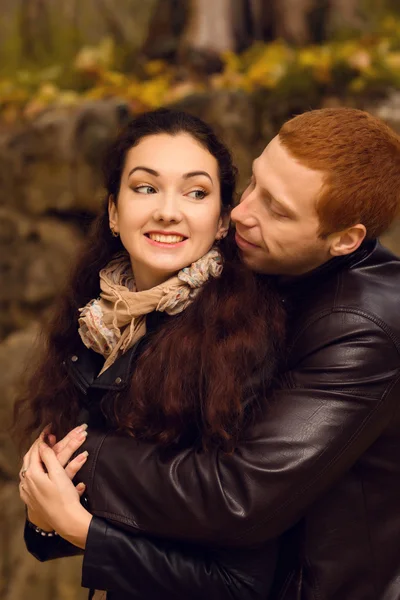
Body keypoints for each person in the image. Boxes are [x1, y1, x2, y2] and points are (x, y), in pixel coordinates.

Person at [19, 107, 400, 600]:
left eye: (277, 209)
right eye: (254, 183)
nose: (243, 212)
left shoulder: (361, 329)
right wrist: (54, 510)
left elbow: (236, 497)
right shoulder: (203, 293)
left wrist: (72, 461)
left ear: (344, 241)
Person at [15, 108, 286, 599]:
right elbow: (50, 535)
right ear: (114, 212)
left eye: (196, 192)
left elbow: (238, 586)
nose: (168, 210)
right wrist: (44, 513)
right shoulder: (96, 324)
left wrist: (81, 530)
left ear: (223, 220)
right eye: (145, 187)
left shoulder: (246, 342)